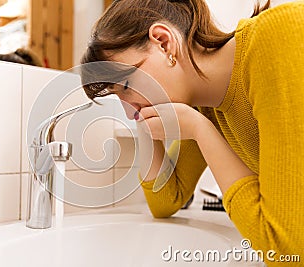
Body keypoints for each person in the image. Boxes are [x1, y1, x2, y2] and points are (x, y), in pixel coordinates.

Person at [80, 0, 304, 264]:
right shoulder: (205, 106)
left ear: (164, 43)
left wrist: (201, 130)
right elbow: (164, 202)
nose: (128, 113)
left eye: (126, 85)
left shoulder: (278, 37)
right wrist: (142, 112)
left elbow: (287, 250)